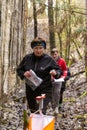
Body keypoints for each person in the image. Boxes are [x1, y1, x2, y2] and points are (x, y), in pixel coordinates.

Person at [16, 37, 62, 114]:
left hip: (45, 89)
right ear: (32, 48)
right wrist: (23, 74)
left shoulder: (49, 59)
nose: (38, 50)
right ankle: (36, 125)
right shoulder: (27, 58)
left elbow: (59, 70)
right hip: (31, 89)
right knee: (33, 111)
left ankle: (41, 125)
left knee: (40, 111)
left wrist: (55, 73)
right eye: (36, 48)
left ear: (44, 48)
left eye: (41, 48)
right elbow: (19, 69)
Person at [51, 48, 68, 112]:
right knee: (52, 93)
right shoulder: (49, 61)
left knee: (59, 92)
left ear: (58, 54)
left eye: (55, 54)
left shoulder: (62, 61)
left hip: (60, 79)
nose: (54, 56)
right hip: (52, 80)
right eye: (53, 54)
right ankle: (53, 106)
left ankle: (58, 106)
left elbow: (65, 70)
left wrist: (64, 76)